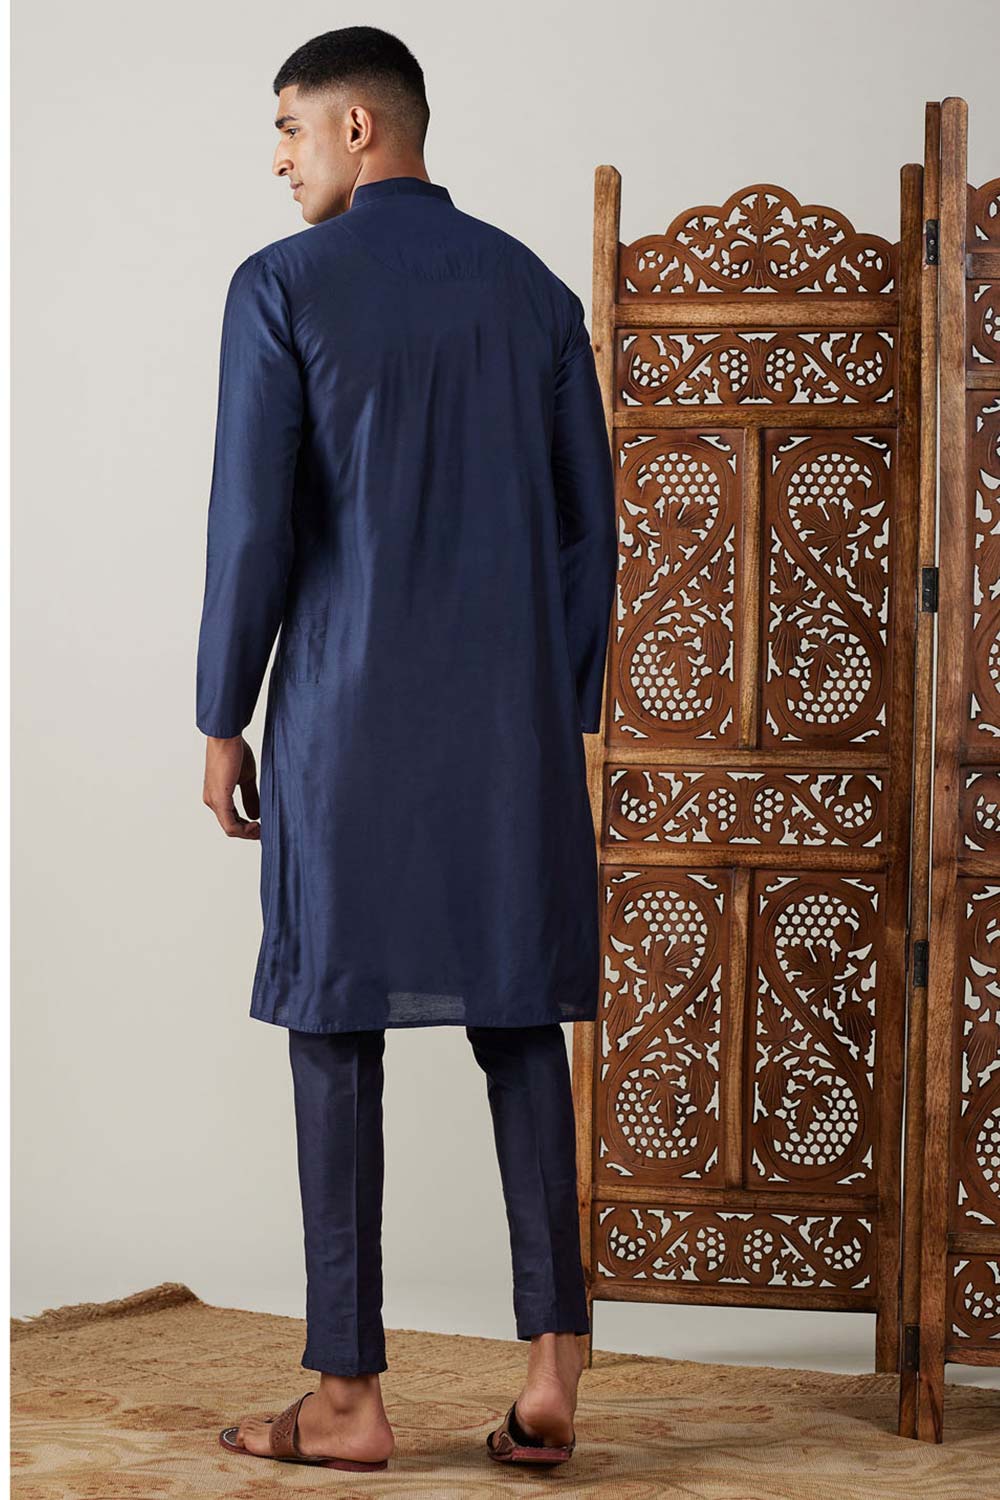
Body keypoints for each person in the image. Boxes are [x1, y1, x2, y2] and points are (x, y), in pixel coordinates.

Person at [197, 25, 616, 1473]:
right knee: (521, 1019)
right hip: (511, 734)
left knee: (334, 1027)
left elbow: (254, 527)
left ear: (360, 128)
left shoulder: (281, 286)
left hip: (344, 721)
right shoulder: (536, 293)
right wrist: (555, 706)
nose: (279, 158)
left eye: (290, 128)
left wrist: (220, 714)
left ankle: (348, 1399)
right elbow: (591, 533)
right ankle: (553, 1366)